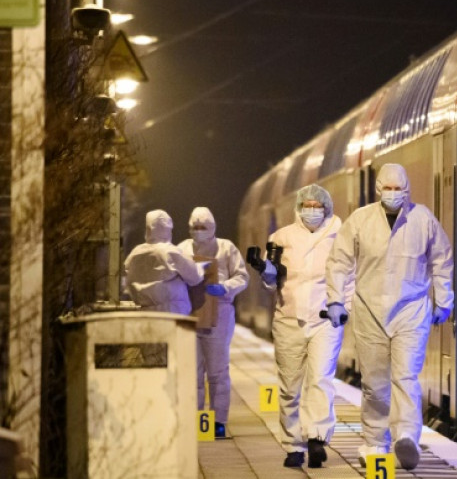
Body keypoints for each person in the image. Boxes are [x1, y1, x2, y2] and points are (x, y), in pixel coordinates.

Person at [325, 163, 454, 471]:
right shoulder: (360, 221)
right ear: (378, 188)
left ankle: (407, 436)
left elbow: (442, 260)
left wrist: (443, 301)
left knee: (406, 376)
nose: (394, 194)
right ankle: (374, 441)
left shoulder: (422, 220)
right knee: (374, 383)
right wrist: (334, 301)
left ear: (407, 189)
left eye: (399, 189)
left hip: (411, 311)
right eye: (389, 188)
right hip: (370, 312)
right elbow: (339, 262)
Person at [258, 184, 348, 469]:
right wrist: (267, 273)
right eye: (307, 205)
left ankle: (317, 438)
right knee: (289, 386)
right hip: (289, 318)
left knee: (321, 378)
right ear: (298, 208)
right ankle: (293, 444)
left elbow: (350, 273)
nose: (312, 210)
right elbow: (270, 280)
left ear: (326, 207)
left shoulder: (340, 234)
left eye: (317, 205)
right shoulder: (281, 237)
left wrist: (343, 304)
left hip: (326, 318)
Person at [178, 207, 249, 439]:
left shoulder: (226, 248)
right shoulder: (182, 249)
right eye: (195, 227)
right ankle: (196, 417)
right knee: (193, 372)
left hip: (219, 315)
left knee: (217, 371)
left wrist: (225, 287)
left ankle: (218, 419)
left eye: (204, 227)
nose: (199, 232)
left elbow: (242, 277)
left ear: (213, 228)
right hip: (189, 315)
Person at [124, 209, 207, 315]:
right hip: (171, 312)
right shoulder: (170, 252)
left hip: (144, 313)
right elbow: (194, 277)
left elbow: (128, 282)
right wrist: (201, 267)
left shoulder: (135, 253)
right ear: (167, 229)